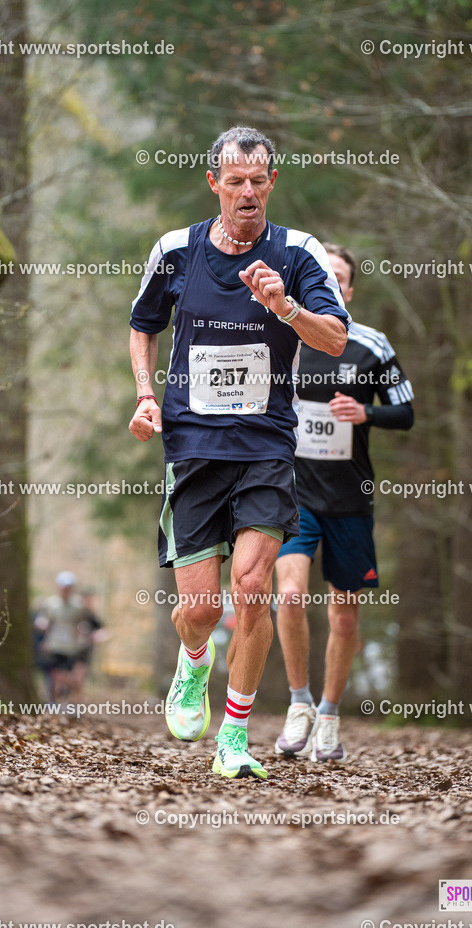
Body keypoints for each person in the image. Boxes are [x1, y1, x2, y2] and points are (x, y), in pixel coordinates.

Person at [129, 126, 350, 780]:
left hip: (265, 445)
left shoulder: (299, 253)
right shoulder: (175, 250)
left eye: (258, 181)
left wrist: (285, 308)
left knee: (251, 589)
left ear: (271, 182)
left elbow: (334, 339)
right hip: (193, 446)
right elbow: (144, 326)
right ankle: (194, 662)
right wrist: (146, 397)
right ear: (213, 183)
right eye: (235, 181)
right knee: (199, 609)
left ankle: (234, 735)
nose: (247, 192)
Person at [274, 244, 414, 763]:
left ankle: (330, 717)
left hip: (350, 497)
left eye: (340, 278)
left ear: (350, 291)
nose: (331, 284)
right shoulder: (282, 335)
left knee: (346, 616)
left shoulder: (371, 345)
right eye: (323, 275)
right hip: (292, 493)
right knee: (288, 595)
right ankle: (298, 703)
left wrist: (366, 414)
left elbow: (406, 412)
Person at [35, 571, 86, 706]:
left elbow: (81, 624)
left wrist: (81, 634)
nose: (66, 590)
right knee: (53, 674)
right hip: (53, 645)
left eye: (68, 587)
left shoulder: (78, 606)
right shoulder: (50, 604)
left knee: (67, 676)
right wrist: (42, 627)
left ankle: (66, 702)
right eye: (64, 587)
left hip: (70, 647)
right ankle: (52, 701)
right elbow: (43, 620)